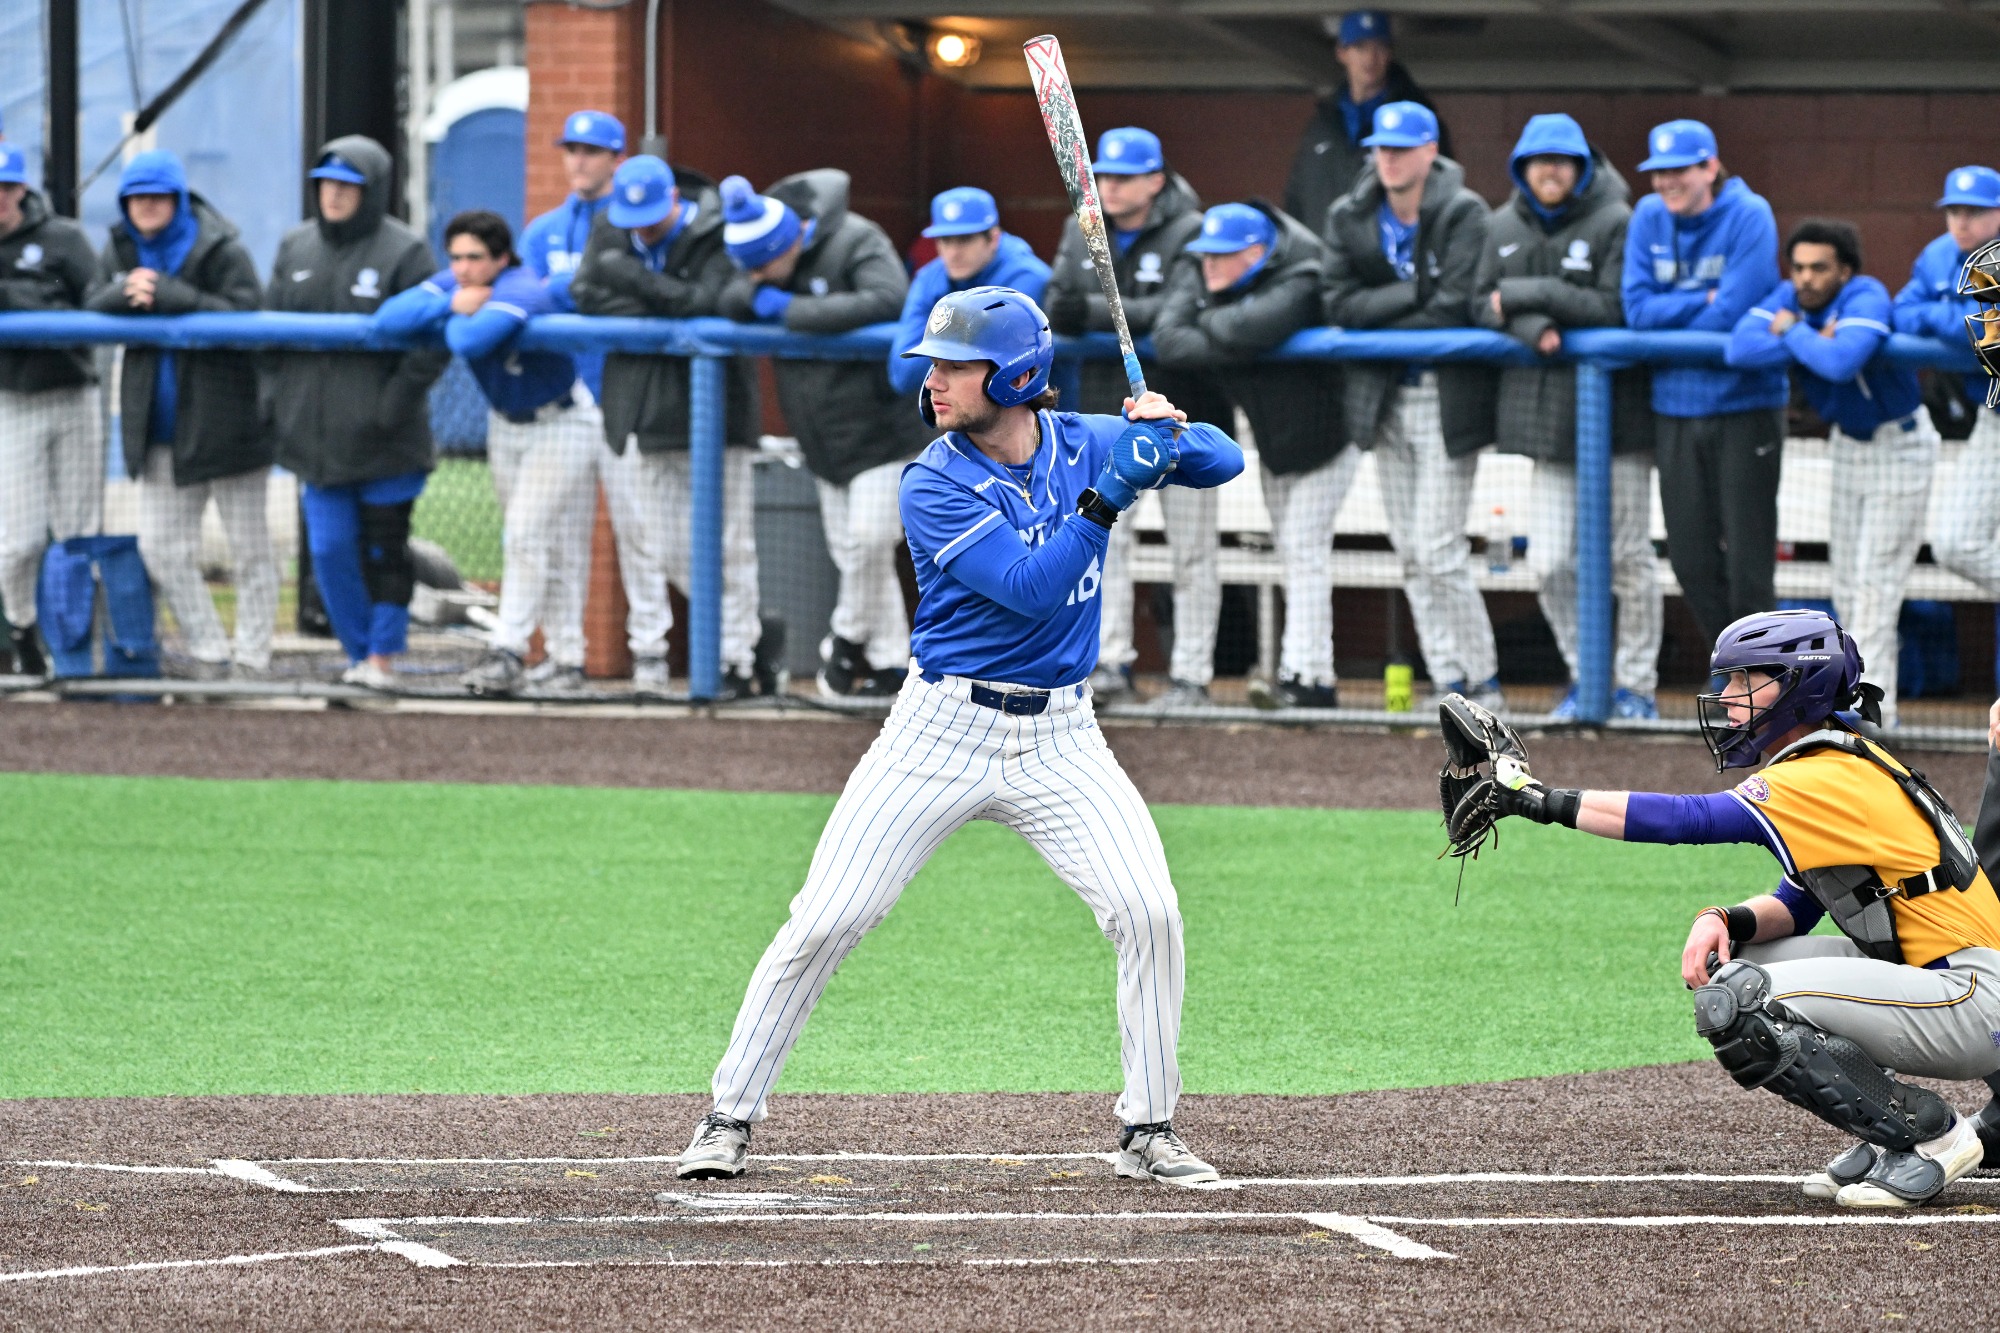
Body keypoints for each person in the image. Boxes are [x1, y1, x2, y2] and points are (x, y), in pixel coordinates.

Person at [674, 286, 1244, 1185]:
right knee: (829, 917)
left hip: (1063, 735)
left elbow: (1225, 461)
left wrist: (1164, 426)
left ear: (1015, 376)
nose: (934, 380)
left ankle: (1148, 1125)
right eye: (933, 365)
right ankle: (728, 1113)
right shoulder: (931, 480)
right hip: (938, 732)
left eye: (954, 365)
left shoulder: (1084, 440)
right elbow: (1029, 585)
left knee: (1150, 911)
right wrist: (1114, 491)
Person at [1478, 607, 2000, 1208]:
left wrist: (1537, 799)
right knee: (1740, 958)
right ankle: (1888, 1132)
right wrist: (1723, 918)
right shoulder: (1838, 759)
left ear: (1800, 685)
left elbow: (1687, 819)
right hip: (1942, 983)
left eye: (1744, 679)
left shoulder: (1826, 772)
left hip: (1971, 996)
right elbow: (1799, 904)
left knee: (1740, 1001)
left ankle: (1931, 1136)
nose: (1726, 697)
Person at [1475, 114, 1659, 721]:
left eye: (1561, 160)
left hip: (1618, 423)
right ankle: (1589, 677)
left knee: (1628, 559)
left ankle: (1635, 687)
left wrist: (1530, 296)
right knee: (1549, 560)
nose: (1549, 170)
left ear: (1581, 168)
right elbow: (1479, 302)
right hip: (1549, 427)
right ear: (1521, 168)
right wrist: (1535, 326)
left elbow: (1614, 308)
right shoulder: (1500, 223)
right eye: (1537, 160)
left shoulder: (1618, 219)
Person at [1045, 127, 1234, 710]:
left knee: (1192, 551)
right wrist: (1088, 314)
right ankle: (1110, 665)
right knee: (1106, 541)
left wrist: (1091, 314)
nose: (1111, 186)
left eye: (1126, 177)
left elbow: (1174, 312)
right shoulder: (1081, 224)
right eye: (1106, 175)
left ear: (1156, 180)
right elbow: (1056, 304)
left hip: (1182, 409)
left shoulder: (1191, 230)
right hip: (1106, 411)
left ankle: (1192, 677)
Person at [719, 169, 926, 698]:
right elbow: (727, 298)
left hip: (883, 431)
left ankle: (847, 640)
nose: (762, 277)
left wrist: (791, 311)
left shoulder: (856, 237)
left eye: (766, 265)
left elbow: (889, 298)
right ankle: (888, 666)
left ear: (790, 240)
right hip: (822, 441)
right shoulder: (763, 264)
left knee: (867, 542)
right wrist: (754, 295)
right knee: (859, 556)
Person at [1322, 101, 1500, 709]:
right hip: (1383, 397)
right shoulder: (1351, 213)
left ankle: (1485, 680)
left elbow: (1456, 304)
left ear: (1430, 151)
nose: (1389, 160)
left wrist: (1384, 307)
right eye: (1382, 149)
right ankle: (1450, 682)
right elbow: (1338, 303)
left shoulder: (1465, 209)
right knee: (1409, 550)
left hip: (1445, 396)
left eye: (1402, 149)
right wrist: (1410, 294)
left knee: (1437, 547)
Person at [374, 211, 595, 697]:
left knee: (525, 534)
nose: (464, 267)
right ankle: (567, 658)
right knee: (542, 544)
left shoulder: (521, 286)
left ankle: (509, 651)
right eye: (455, 257)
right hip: (507, 425)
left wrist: (450, 310)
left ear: (501, 257)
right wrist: (456, 299)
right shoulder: (459, 283)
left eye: (475, 257)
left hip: (564, 422)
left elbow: (468, 340)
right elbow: (386, 319)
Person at [571, 155, 765, 699]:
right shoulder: (611, 223)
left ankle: (738, 658)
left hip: (715, 408)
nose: (642, 230)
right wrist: (658, 301)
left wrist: (632, 279)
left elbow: (707, 303)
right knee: (663, 544)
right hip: (642, 407)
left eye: (653, 219)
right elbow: (585, 296)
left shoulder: (715, 227)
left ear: (674, 200)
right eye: (634, 222)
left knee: (730, 545)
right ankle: (741, 638)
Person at [1726, 221, 1934, 728]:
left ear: (1843, 269)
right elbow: (1739, 348)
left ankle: (1871, 725)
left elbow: (1841, 362)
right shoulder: (1789, 294)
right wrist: (1810, 339)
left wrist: (1792, 331)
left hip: (1899, 442)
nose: (1806, 278)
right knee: (1846, 588)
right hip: (1847, 445)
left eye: (1819, 268)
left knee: (1874, 589)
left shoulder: (1867, 293)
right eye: (1798, 267)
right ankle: (1862, 713)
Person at [264, 136, 448, 690]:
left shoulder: (406, 251)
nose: (335, 195)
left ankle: (382, 657)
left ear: (371, 192)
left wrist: (391, 404)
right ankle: (357, 655)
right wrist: (275, 403)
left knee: (384, 548)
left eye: (349, 186)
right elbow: (268, 334)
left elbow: (433, 341)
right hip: (315, 442)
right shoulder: (295, 247)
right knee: (328, 548)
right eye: (328, 184)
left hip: (387, 441)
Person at [86, 150, 273, 680]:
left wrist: (172, 295)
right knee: (162, 548)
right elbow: (91, 299)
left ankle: (254, 659)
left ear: (177, 199)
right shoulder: (121, 244)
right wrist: (127, 292)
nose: (145, 206)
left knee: (251, 553)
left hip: (229, 425)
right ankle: (212, 652)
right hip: (160, 431)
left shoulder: (220, 245)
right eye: (136, 198)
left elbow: (244, 316)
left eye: (156, 196)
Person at [1153, 201, 1346, 708]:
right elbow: (1169, 338)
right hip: (1276, 444)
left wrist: (1218, 326)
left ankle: (1307, 679)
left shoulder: (1302, 273)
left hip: (1329, 439)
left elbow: (1246, 329)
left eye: (1223, 256)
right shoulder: (1208, 276)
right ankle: (1305, 675)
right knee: (1293, 551)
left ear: (1257, 254)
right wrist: (1233, 330)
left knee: (1303, 549)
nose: (1208, 265)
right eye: (1206, 255)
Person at [1620, 119, 1785, 646]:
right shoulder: (1648, 216)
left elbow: (1735, 312)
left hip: (1745, 405)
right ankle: (1738, 673)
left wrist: (1699, 308)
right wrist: (1704, 300)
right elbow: (1637, 311)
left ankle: (1767, 695)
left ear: (1710, 167)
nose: (1667, 182)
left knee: (1748, 565)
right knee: (1689, 559)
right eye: (1658, 172)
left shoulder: (1748, 213)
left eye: (1680, 171)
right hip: (1674, 406)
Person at [511, 107, 632, 691]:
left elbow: (605, 296)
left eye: (591, 150)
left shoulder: (631, 225)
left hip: (624, 400)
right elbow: (530, 297)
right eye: (571, 149)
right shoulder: (541, 231)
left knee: (642, 539)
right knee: (561, 533)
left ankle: (654, 659)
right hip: (565, 400)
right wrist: (572, 290)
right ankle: (565, 655)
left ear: (616, 159)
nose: (579, 160)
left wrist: (564, 290)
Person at [0, 140, 102, 677]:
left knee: (77, 530)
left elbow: (100, 299)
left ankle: (78, 645)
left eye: (7, 187)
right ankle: (22, 630)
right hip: (11, 400)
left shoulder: (61, 238)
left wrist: (16, 298)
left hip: (72, 392)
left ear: (23, 189)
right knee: (18, 541)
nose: (0, 198)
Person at [1895, 166, 2000, 596]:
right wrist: (1956, 323)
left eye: (1974, 211)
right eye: (1954, 210)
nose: (1961, 221)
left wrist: (1941, 321)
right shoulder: (1938, 254)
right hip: (1992, 419)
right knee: (1956, 543)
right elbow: (1901, 311)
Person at [1283, 10, 1450, 249]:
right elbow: (1296, 200)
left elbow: (1441, 194)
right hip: (1324, 265)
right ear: (1341, 53)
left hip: (1391, 266)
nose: (1370, 59)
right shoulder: (1322, 123)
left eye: (1379, 47)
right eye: (1360, 47)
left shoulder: (1418, 118)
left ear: (1390, 52)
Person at [887, 187, 1049, 398]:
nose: (953, 253)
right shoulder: (930, 277)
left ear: (993, 238)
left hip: (1039, 415)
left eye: (964, 240)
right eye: (945, 240)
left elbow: (995, 369)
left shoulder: (1027, 277)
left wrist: (939, 342)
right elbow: (904, 373)